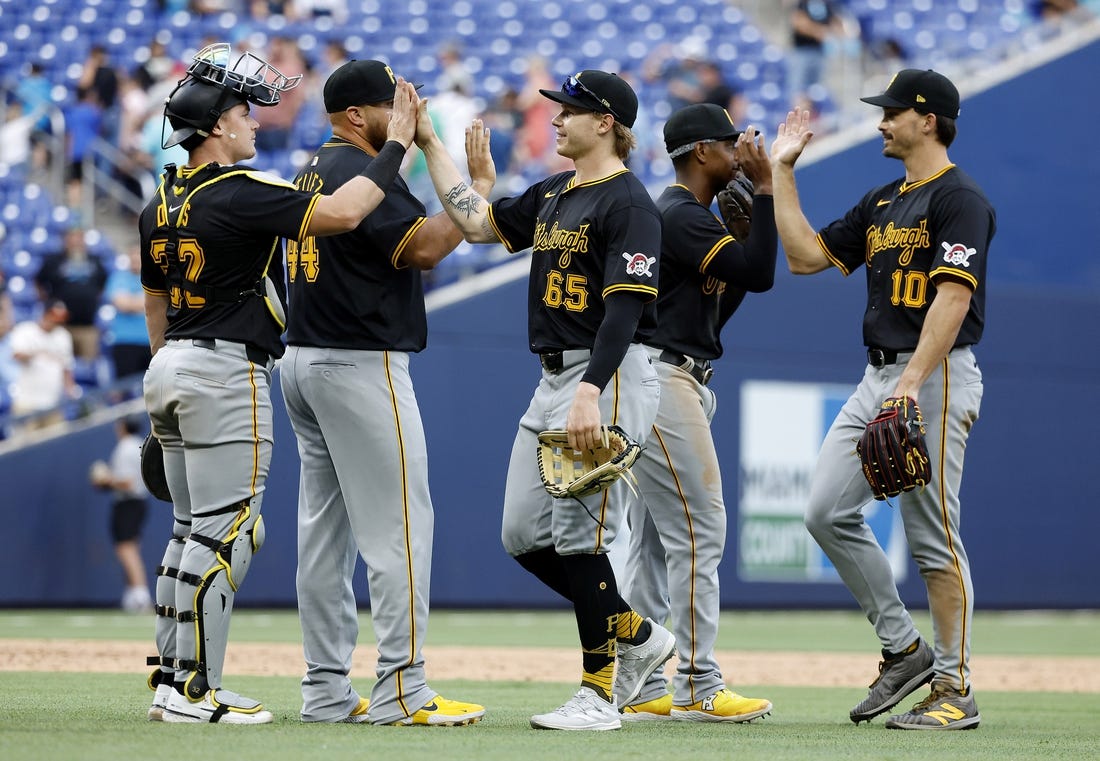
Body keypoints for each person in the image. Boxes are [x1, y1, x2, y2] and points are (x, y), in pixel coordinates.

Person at [140, 41, 420, 725]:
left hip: (171, 360)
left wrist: (161, 377)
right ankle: (193, 692)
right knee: (227, 532)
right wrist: (397, 148)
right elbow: (345, 213)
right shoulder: (238, 191)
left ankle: (171, 676)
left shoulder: (160, 200)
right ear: (215, 129)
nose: (254, 122)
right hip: (224, 368)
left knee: (186, 533)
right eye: (242, 112)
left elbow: (154, 298)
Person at [416, 70, 675, 731]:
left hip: (604, 371)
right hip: (555, 377)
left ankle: (598, 691)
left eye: (572, 110)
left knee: (580, 538)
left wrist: (592, 390)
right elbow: (476, 224)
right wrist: (430, 144)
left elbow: (625, 308)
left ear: (608, 123)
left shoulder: (630, 203)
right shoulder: (558, 190)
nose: (556, 119)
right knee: (523, 534)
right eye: (558, 109)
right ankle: (637, 632)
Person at [770, 69, 993, 730]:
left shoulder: (960, 199)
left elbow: (953, 296)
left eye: (892, 111)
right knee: (824, 510)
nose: (880, 122)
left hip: (935, 373)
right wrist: (782, 173)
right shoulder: (883, 200)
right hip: (882, 374)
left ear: (928, 119)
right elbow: (806, 257)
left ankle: (954, 687)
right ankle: (905, 647)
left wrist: (911, 383)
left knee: (933, 536)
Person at [281, 59, 488, 727]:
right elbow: (425, 247)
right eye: (392, 106)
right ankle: (402, 686)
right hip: (358, 363)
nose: (406, 114)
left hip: (305, 360)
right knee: (400, 529)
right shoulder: (363, 171)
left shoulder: (312, 167)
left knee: (324, 538)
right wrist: (467, 177)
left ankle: (324, 689)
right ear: (356, 115)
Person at [618, 103, 777, 722]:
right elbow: (763, 275)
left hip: (674, 373)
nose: (741, 154)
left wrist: (740, 239)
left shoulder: (689, 219)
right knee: (699, 528)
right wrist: (764, 192)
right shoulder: (679, 215)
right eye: (731, 145)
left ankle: (646, 680)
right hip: (664, 380)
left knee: (659, 541)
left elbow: (719, 311)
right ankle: (695, 683)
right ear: (702, 152)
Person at [90, 415, 153, 612]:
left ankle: (141, 596)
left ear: (124, 427)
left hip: (128, 502)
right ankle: (133, 595)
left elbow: (127, 482)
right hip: (139, 501)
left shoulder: (125, 448)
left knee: (126, 549)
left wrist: (105, 479)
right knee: (131, 547)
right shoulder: (140, 444)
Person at [34, 225, 109, 361]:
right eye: (72, 237)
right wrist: (48, 302)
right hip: (61, 326)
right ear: (65, 240)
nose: (75, 241)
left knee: (89, 368)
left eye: (79, 237)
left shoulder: (95, 260)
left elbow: (103, 283)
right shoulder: (54, 260)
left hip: (88, 326)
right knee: (60, 364)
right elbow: (39, 281)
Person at [8, 298, 76, 432]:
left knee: (56, 445)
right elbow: (17, 355)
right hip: (27, 403)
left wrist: (71, 391)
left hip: (52, 403)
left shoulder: (63, 336)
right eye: (54, 317)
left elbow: (67, 368)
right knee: (23, 446)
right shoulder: (25, 330)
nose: (57, 322)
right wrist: (38, 353)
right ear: (44, 314)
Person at [104, 243, 152, 382]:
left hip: (150, 340)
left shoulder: (155, 278)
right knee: (123, 388)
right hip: (124, 340)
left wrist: (133, 301)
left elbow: (160, 303)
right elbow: (122, 304)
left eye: (139, 254)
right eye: (133, 254)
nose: (136, 258)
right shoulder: (118, 277)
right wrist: (145, 301)